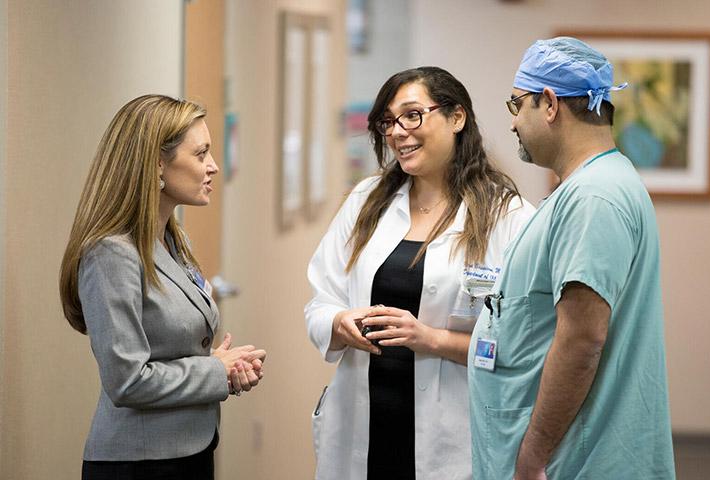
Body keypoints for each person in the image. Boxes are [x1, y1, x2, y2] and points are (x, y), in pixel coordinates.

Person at [305, 66, 535, 480]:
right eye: (388, 122)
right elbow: (321, 300)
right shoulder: (365, 201)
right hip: (363, 425)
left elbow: (521, 346)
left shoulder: (508, 217)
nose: (397, 132)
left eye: (412, 115)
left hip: (453, 438)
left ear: (457, 117)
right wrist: (339, 322)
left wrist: (430, 339)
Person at [468, 37, 676, 479]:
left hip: (573, 463)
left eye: (516, 105)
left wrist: (533, 455)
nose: (512, 124)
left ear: (548, 103)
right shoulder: (587, 188)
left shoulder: (594, 198)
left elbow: (583, 340)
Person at [59, 94, 266, 480]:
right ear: (157, 163)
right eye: (201, 154)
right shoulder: (110, 254)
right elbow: (127, 381)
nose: (213, 167)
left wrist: (224, 368)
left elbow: (175, 349)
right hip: (139, 465)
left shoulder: (171, 239)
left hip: (189, 451)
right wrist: (214, 372)